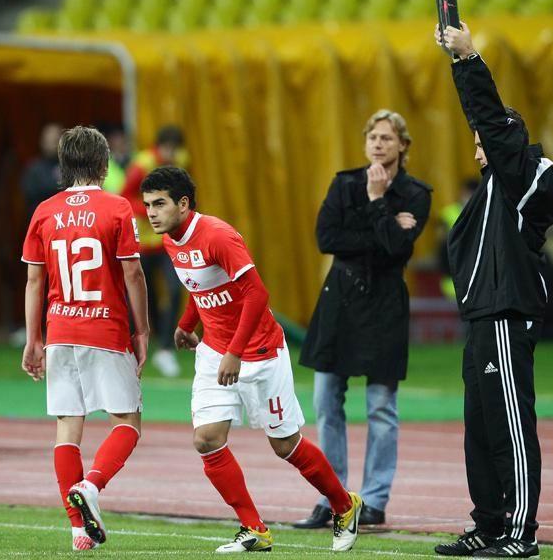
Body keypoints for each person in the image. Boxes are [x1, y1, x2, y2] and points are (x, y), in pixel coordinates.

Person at [141, 166, 362, 553]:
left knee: (285, 445)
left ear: (183, 203)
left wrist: (235, 352)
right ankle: (254, 528)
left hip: (259, 353)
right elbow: (200, 285)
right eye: (147, 205)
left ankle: (344, 505)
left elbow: (257, 294)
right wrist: (187, 324)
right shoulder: (171, 239)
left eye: (159, 204)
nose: (151, 213)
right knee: (207, 439)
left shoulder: (217, 235)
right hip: (214, 352)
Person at [433, 22, 553, 558]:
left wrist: (468, 61)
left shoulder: (526, 175)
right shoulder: (488, 193)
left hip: (507, 312)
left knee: (510, 425)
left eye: (483, 141)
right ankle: (488, 524)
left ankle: (520, 532)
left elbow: (491, 120)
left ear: (506, 139)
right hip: (483, 315)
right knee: (481, 429)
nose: (477, 152)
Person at [296, 110, 432, 529]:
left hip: (385, 304)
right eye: (373, 137)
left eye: (387, 138)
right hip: (340, 300)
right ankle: (333, 497)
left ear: (403, 145)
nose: (378, 144)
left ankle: (374, 500)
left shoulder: (416, 193)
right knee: (325, 401)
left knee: (381, 407)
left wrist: (376, 202)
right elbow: (326, 238)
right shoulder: (344, 183)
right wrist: (385, 225)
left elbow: (398, 250)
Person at [20, 126, 150, 551]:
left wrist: (33, 339)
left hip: (60, 330)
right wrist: (142, 329)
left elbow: (34, 280)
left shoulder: (44, 211)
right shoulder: (116, 208)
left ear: (63, 165)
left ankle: (78, 529)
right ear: (104, 164)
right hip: (105, 329)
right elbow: (133, 273)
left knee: (67, 427)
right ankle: (91, 486)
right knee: (127, 422)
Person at [121, 125, 189, 377]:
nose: (171, 153)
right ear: (158, 146)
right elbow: (125, 197)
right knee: (139, 297)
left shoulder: (181, 161)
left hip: (167, 242)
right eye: (167, 148)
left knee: (174, 289)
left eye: (175, 149)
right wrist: (153, 209)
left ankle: (165, 350)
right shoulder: (142, 164)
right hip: (141, 243)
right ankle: (132, 349)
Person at [438, 179, 478, 300]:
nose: (469, 197)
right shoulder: (448, 212)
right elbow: (441, 242)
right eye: (467, 193)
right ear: (462, 192)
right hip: (451, 275)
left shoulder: (484, 213)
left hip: (476, 275)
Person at [21, 123, 64, 221]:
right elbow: (30, 193)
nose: (51, 144)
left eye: (55, 140)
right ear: (42, 142)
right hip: (41, 219)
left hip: (65, 220)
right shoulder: (34, 168)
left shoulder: (69, 167)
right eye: (48, 140)